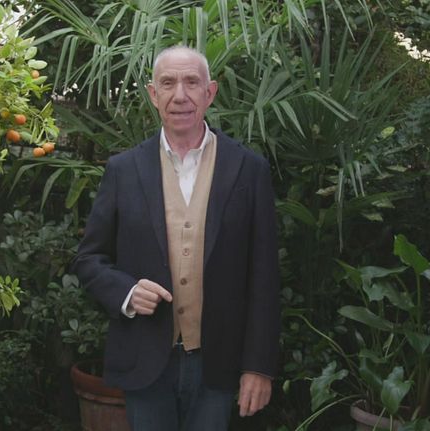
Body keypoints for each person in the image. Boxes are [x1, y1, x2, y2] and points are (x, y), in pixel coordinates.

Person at [72, 45, 280, 431]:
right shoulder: (123, 170)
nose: (179, 95)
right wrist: (127, 292)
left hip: (219, 362)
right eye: (168, 83)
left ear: (210, 92)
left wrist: (258, 366)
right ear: (153, 94)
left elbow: (264, 277)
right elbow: (89, 259)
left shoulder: (249, 170)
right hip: (144, 359)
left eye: (191, 82)